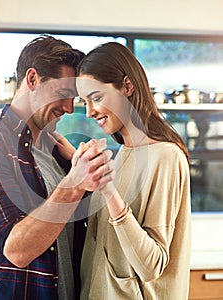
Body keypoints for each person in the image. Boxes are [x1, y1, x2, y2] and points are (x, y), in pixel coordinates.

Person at [0, 35, 114, 300]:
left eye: (73, 98)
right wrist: (74, 184)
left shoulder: (57, 151)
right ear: (32, 79)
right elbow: (17, 251)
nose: (68, 108)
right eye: (63, 95)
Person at [76, 42, 191, 299]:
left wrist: (107, 189)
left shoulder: (166, 157)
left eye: (96, 98)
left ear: (127, 87)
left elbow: (152, 265)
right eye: (84, 101)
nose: (89, 111)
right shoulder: (122, 155)